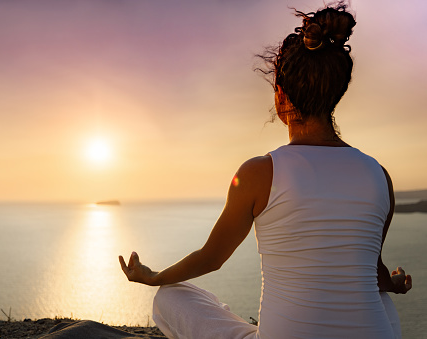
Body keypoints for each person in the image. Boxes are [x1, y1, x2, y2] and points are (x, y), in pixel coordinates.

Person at [119, 3, 412, 338]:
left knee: (169, 297)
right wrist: (396, 283)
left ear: (280, 95)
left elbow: (211, 258)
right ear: (337, 93)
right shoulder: (379, 175)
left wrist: (151, 276)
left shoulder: (259, 173)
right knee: (379, 298)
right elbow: (373, 273)